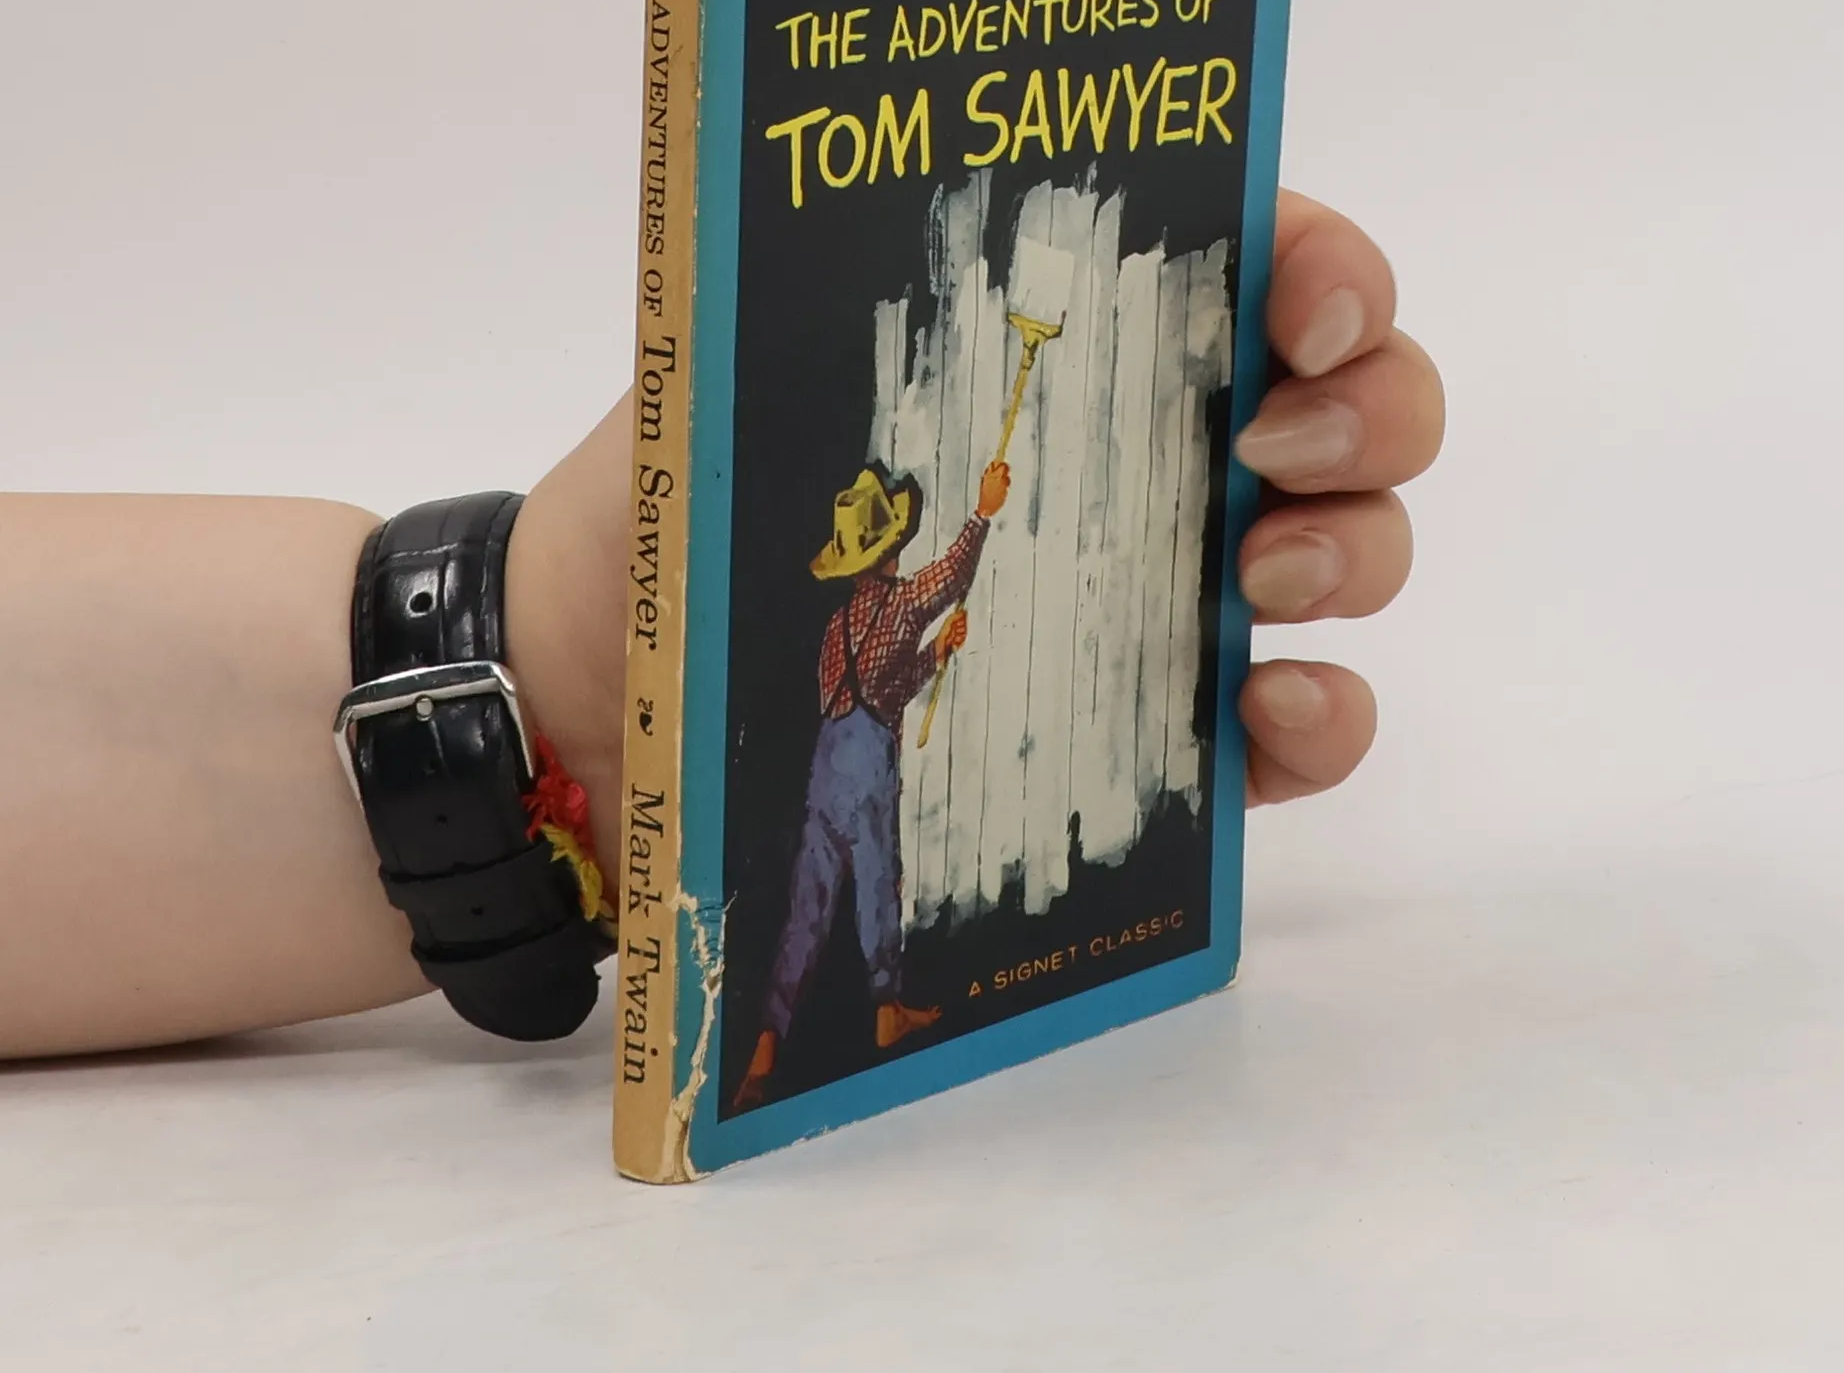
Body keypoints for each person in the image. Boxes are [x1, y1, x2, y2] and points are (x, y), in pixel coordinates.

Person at [0, 192, 1443, 1061]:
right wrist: (970, 547)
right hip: (846, 756)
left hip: (835, 751)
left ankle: (832, 1011)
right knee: (838, 889)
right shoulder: (872, 600)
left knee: (848, 891)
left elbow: (918, 616)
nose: (876, 526)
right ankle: (813, 1011)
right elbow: (911, 621)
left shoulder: (871, 600)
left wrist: (556, 665)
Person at [734, 457, 1008, 1110]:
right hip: (866, 759)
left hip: (824, 766)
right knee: (878, 881)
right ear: (890, 548)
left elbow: (882, 686)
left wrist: (936, 653)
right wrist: (983, 511)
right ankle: (886, 1008)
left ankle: (768, 1037)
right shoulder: (905, 601)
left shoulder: (837, 629)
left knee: (808, 903)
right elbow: (953, 576)